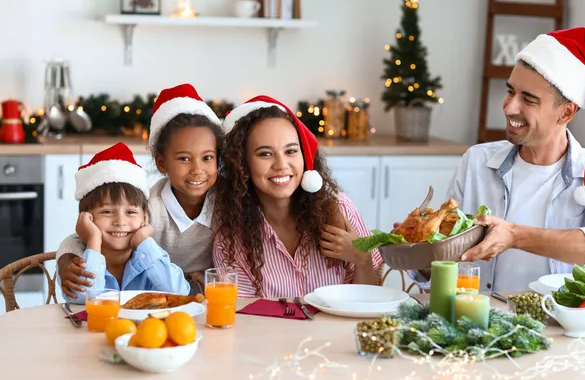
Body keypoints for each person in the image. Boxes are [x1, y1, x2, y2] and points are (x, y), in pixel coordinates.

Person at [422, 27, 585, 292]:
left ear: (566, 112)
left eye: (528, 99)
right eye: (510, 92)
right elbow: (445, 259)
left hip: (561, 331)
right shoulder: (476, 162)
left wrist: (514, 236)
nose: (509, 107)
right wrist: (421, 245)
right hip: (478, 325)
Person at [56, 83, 225, 297]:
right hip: (160, 296)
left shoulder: (227, 203)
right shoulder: (147, 208)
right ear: (162, 164)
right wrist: (65, 260)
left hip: (199, 300)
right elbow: (84, 234)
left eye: (207, 158)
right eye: (184, 158)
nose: (197, 169)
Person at [213, 95, 382, 298]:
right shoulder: (230, 243)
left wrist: (362, 259)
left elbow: (369, 300)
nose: (281, 165)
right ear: (243, 165)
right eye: (265, 154)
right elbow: (245, 318)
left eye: (291, 151)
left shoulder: (340, 208)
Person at [59, 142, 190, 303]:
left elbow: (180, 293)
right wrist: (94, 239)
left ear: (144, 219)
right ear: (87, 218)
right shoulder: (77, 261)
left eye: (131, 212)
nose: (120, 221)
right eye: (107, 212)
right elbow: (84, 299)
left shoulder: (150, 258)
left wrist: (144, 242)